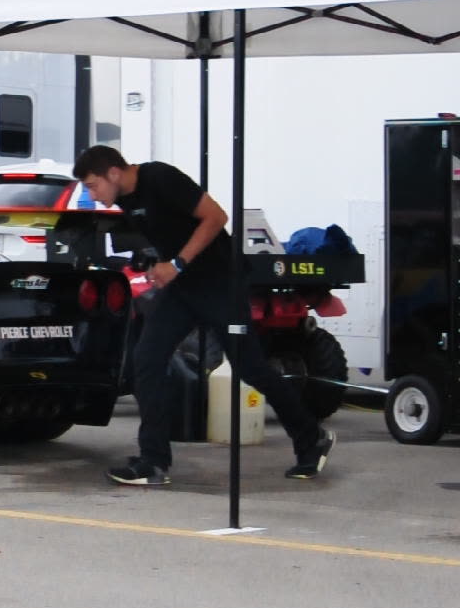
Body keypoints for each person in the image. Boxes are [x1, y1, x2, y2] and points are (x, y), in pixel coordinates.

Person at [71, 145, 335, 486]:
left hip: (220, 284)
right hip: (182, 290)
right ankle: (153, 462)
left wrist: (178, 264)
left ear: (114, 173)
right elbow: (168, 234)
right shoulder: (125, 200)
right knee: (146, 359)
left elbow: (216, 217)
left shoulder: (161, 178)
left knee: (250, 368)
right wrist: (156, 264)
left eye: (93, 185)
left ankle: (311, 437)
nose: (92, 194)